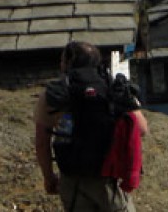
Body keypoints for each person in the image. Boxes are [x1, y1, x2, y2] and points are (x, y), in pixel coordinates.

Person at [34, 41, 149, 211]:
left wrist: (49, 178)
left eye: (62, 61)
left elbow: (42, 143)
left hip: (73, 181)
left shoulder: (54, 94)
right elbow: (141, 129)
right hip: (108, 181)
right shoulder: (114, 88)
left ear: (68, 63)